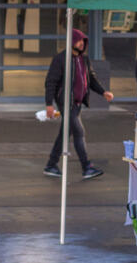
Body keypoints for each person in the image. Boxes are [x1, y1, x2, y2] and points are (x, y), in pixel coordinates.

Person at [43, 28, 114, 180]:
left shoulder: (84, 60)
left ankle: (51, 164)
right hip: (65, 103)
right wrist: (49, 104)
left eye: (83, 41)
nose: (82, 44)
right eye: (79, 40)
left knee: (65, 133)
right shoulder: (61, 59)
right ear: (71, 42)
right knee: (79, 132)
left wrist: (103, 92)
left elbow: (92, 79)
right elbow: (51, 82)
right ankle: (86, 167)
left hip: (78, 103)